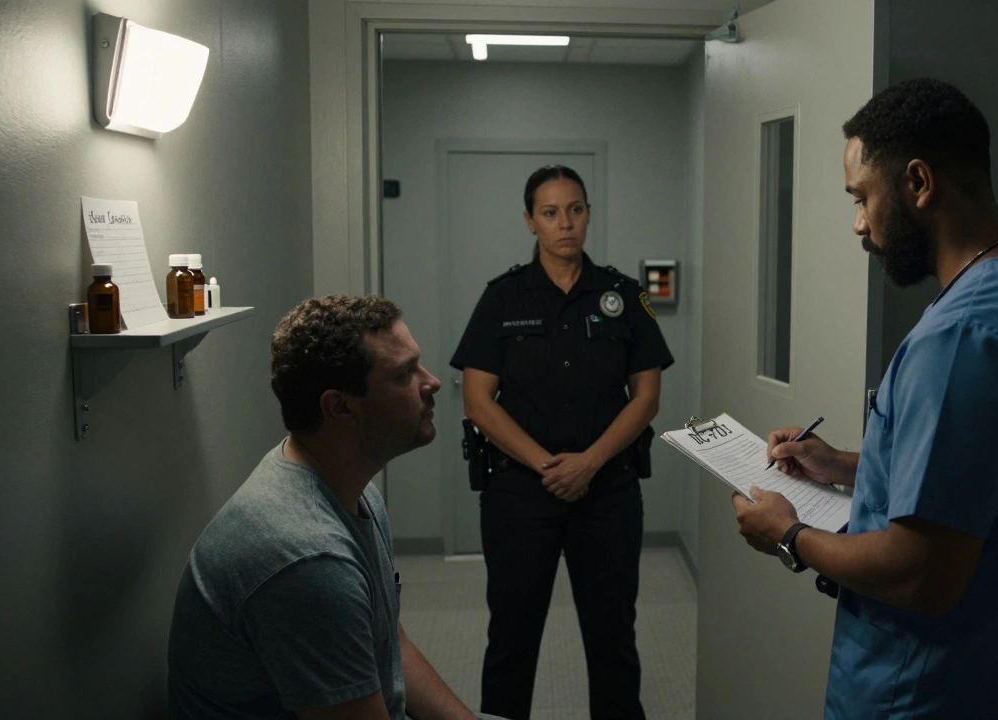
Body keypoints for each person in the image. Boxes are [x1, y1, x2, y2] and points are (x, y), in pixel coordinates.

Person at [733, 78, 998, 719]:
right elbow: (993, 479)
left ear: (917, 183)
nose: (859, 224)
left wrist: (787, 534)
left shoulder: (962, 336)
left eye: (862, 198)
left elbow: (921, 574)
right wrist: (846, 466)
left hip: (929, 691)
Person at [168, 295, 504, 720]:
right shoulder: (307, 559)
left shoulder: (349, 486)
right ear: (340, 407)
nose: (432, 382)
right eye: (404, 374)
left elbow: (389, 646)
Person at [450, 165, 674, 720]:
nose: (564, 223)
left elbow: (646, 396)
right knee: (511, 639)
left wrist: (590, 464)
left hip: (608, 493)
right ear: (530, 220)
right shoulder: (501, 299)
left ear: (588, 213)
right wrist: (549, 465)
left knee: (613, 639)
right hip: (520, 495)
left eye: (574, 209)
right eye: (550, 213)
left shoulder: (625, 295)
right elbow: (477, 401)